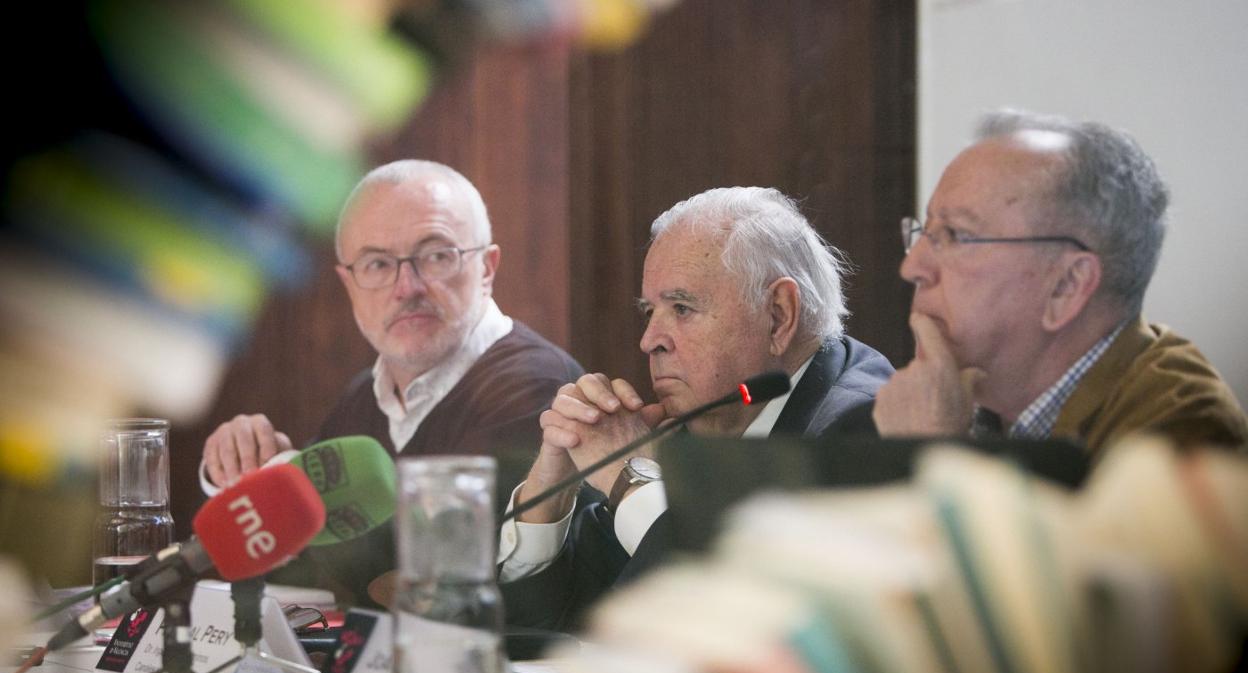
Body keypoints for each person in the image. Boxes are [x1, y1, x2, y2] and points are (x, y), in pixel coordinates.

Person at [500, 186, 894, 630]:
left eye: (682, 308)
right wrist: (548, 495)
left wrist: (628, 482)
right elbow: (535, 637)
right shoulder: (701, 418)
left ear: (779, 316)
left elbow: (752, 630)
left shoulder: (864, 431)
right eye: (650, 311)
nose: (650, 340)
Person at [201, 160, 582, 604]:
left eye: (436, 256)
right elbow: (305, 563)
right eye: (377, 263)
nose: (407, 287)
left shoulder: (536, 387)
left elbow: (434, 571)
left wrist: (287, 479)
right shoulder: (365, 396)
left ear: (487, 267)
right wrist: (240, 466)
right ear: (349, 283)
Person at [873, 109, 1247, 457]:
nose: (913, 267)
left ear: (1066, 286)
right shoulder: (984, 404)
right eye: (927, 230)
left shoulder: (1180, 442)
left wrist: (935, 453)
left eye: (956, 234)